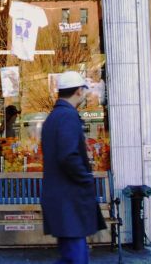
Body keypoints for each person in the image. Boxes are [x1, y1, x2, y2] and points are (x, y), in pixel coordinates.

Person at [41, 71, 107, 264]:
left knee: (72, 257)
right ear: (79, 91)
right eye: (85, 90)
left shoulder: (53, 117)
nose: (86, 94)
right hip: (70, 200)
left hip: (61, 200)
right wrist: (85, 178)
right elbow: (68, 156)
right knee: (77, 259)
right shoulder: (68, 117)